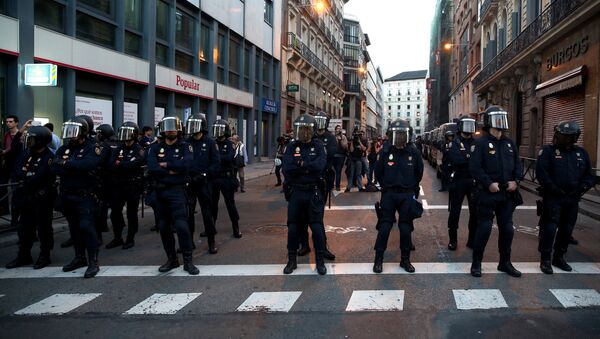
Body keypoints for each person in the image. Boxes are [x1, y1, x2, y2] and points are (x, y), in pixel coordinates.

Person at [469, 106, 523, 278]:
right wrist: (488, 183)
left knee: (507, 229)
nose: (501, 123)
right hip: (487, 193)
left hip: (507, 194)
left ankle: (505, 262)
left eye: (503, 119)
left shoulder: (509, 143)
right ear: (489, 122)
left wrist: (516, 180)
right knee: (484, 228)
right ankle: (477, 263)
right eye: (497, 119)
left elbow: (518, 164)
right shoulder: (480, 143)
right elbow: (475, 168)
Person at [536, 121, 594, 274]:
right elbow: (541, 173)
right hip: (553, 198)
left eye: (569, 137)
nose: (565, 139)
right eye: (563, 136)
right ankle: (546, 259)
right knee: (549, 228)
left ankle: (559, 256)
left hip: (572, 199)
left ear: (575, 137)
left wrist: (581, 188)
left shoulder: (581, 153)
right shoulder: (548, 151)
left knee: (567, 229)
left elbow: (589, 175)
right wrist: (554, 189)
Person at [52, 117, 102, 278]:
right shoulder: (64, 148)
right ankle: (79, 257)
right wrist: (71, 166)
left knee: (87, 227)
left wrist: (66, 164)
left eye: (74, 131)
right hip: (67, 194)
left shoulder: (92, 147)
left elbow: (88, 165)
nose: (70, 135)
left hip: (84, 195)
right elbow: (54, 167)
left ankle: (93, 261)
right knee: (74, 228)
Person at [147, 115, 198, 275]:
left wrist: (168, 165)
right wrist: (172, 171)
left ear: (179, 130)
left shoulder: (185, 146)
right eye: (167, 127)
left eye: (174, 127)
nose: (171, 130)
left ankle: (188, 261)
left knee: (182, 226)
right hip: (160, 192)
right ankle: (172, 259)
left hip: (177, 191)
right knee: (163, 227)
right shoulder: (155, 148)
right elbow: (152, 167)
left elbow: (187, 164)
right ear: (162, 130)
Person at [373, 119, 423, 273]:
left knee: (405, 228)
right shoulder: (385, 151)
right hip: (389, 194)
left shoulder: (413, 151)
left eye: (402, 134)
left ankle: (405, 259)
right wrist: (387, 186)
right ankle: (378, 259)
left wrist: (410, 186)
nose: (400, 137)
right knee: (385, 226)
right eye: (397, 134)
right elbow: (378, 171)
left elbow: (419, 172)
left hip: (407, 194)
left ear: (407, 135)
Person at [5, 126, 56, 269]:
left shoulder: (49, 157)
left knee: (44, 229)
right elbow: (16, 171)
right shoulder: (25, 154)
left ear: (41, 141)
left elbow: (41, 177)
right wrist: (25, 179)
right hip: (25, 198)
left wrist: (26, 179)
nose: (28, 141)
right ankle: (24, 255)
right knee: (24, 229)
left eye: (32, 139)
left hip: (42, 199)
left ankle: (44, 255)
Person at [282, 114, 327, 275]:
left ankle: (320, 261)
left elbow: (320, 166)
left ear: (312, 130)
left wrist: (302, 165)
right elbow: (287, 168)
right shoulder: (292, 147)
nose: (303, 133)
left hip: (313, 192)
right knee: (293, 227)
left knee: (316, 228)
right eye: (300, 129)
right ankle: (291, 260)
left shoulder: (319, 146)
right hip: (297, 191)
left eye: (306, 129)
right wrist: (308, 167)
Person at [297, 111, 336, 260]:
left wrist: (309, 164)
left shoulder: (330, 138)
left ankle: (322, 247)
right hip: (305, 180)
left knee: (317, 217)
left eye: (322, 120)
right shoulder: (309, 137)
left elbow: (328, 157)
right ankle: (304, 244)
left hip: (321, 181)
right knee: (301, 216)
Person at [106, 122, 145, 250]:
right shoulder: (119, 148)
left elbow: (133, 165)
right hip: (118, 185)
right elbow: (111, 165)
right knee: (115, 212)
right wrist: (123, 164)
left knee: (131, 213)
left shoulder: (138, 149)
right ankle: (117, 237)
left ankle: (130, 238)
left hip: (132, 185)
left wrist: (120, 164)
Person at [185, 113, 220, 254]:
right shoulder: (187, 142)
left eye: (196, 124)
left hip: (204, 183)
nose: (193, 128)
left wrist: (205, 174)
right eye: (191, 124)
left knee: (207, 214)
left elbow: (216, 162)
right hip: (190, 183)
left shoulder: (210, 142)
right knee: (188, 214)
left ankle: (211, 242)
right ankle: (189, 242)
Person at [446, 116, 478, 250]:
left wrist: (467, 159)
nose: (469, 129)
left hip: (473, 181)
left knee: (475, 212)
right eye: (466, 125)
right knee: (455, 212)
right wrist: (470, 160)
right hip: (459, 180)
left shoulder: (477, 143)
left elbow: (479, 162)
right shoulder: (455, 143)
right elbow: (456, 161)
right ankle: (453, 240)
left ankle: (472, 239)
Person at [211, 119, 242, 238]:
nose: (218, 132)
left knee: (230, 204)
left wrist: (216, 156)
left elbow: (228, 158)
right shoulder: (212, 143)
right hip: (214, 178)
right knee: (212, 204)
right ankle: (211, 227)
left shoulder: (230, 144)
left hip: (226, 178)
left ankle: (236, 227)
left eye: (220, 130)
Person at [94, 124, 117, 246]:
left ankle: (100, 232)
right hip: (116, 182)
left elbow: (99, 162)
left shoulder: (104, 146)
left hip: (104, 181)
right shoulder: (117, 143)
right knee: (115, 209)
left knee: (100, 207)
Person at [346, 127, 366, 192]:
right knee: (351, 174)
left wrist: (359, 141)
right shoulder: (353, 141)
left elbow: (364, 149)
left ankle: (360, 187)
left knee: (358, 174)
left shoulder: (362, 141)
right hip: (352, 159)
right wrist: (352, 141)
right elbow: (351, 150)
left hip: (359, 159)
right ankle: (349, 187)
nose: (357, 136)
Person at [332, 125, 348, 191]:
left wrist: (340, 140)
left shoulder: (343, 137)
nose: (338, 130)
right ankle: (331, 184)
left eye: (340, 129)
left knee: (338, 171)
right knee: (332, 171)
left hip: (341, 156)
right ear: (335, 130)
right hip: (333, 156)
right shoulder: (332, 137)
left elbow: (345, 147)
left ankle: (337, 186)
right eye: (337, 129)